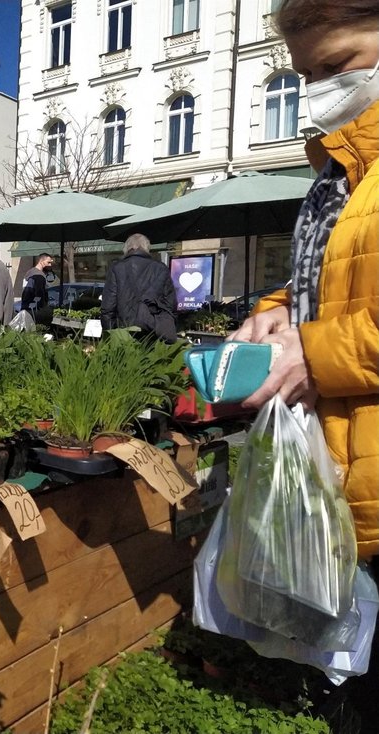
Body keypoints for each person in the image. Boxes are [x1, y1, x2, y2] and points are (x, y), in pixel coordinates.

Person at [233, 0, 379, 718]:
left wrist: (313, 356)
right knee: (348, 691)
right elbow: (322, 282)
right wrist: (272, 315)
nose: (318, 87)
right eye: (305, 72)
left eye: (339, 64)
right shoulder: (337, 174)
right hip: (344, 477)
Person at [100, 233, 176, 342]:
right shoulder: (161, 269)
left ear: (127, 249)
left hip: (124, 335)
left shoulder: (117, 269)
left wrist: (111, 335)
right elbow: (170, 305)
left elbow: (107, 309)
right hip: (153, 334)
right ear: (146, 248)